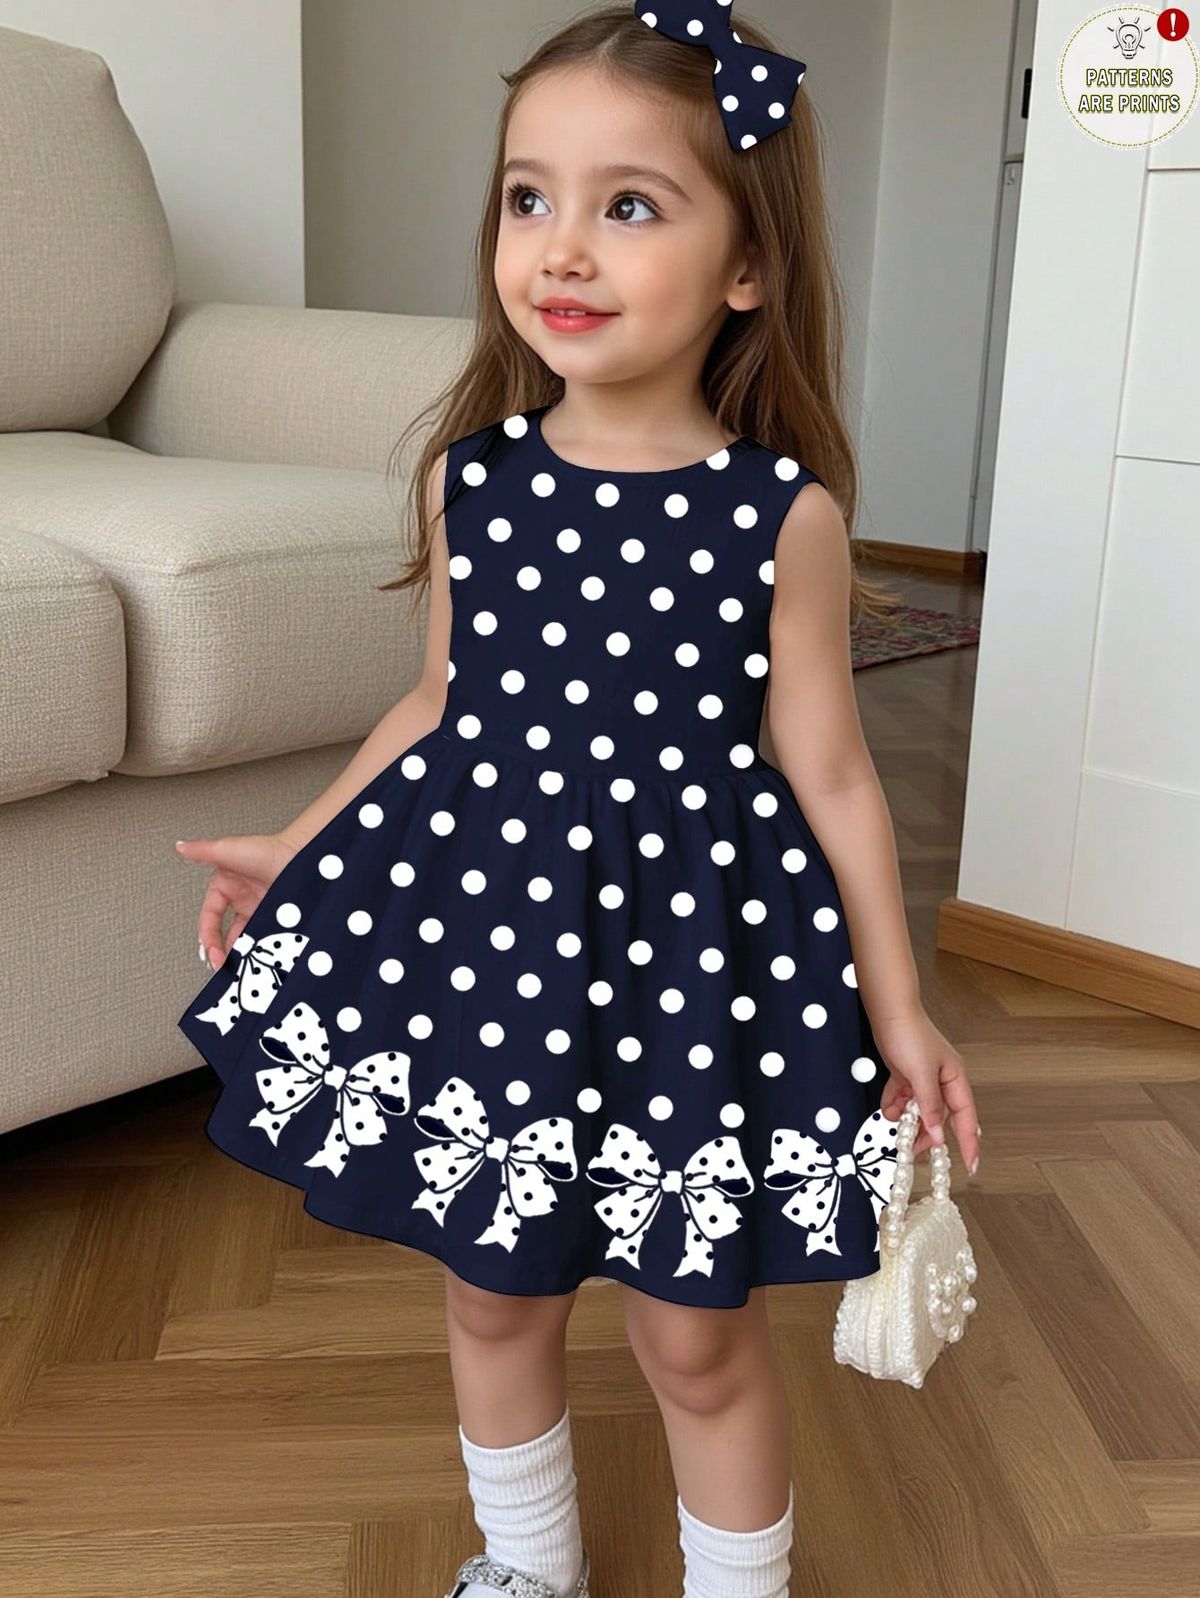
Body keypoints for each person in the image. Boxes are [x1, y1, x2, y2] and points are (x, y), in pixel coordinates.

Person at [174, 4, 982, 1595]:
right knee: (493, 1291)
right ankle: (527, 1565)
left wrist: (900, 1009)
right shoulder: (469, 479)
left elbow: (832, 773)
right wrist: (299, 843)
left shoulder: (781, 518)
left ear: (747, 267)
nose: (562, 246)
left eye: (631, 205)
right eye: (528, 196)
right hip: (497, 956)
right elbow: (436, 703)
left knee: (696, 1335)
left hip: (693, 974)